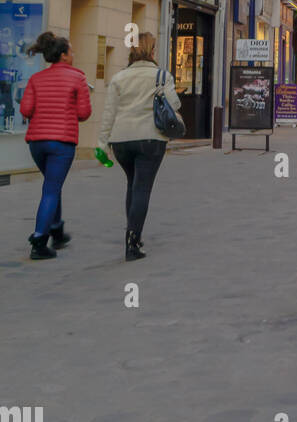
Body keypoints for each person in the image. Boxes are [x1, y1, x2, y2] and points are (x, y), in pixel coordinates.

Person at [99, 33, 181, 261]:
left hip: (121, 141)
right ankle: (132, 243)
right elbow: (174, 104)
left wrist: (101, 143)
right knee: (142, 188)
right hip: (150, 139)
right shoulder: (162, 76)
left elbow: (109, 113)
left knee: (132, 184)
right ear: (152, 51)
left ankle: (133, 233)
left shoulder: (119, 78)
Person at [19, 31, 92, 260]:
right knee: (51, 188)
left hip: (37, 143)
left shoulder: (36, 79)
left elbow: (25, 110)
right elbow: (83, 113)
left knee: (53, 183)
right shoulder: (78, 78)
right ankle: (39, 240)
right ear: (63, 55)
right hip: (61, 143)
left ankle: (57, 230)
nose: (74, 54)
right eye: (71, 50)